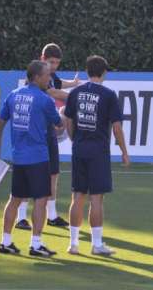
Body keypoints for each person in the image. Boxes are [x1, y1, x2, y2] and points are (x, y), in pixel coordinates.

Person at [0, 60, 63, 257]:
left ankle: (5, 241)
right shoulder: (44, 100)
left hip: (19, 157)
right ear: (37, 77)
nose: (49, 78)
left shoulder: (13, 95)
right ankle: (36, 244)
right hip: (38, 157)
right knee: (41, 199)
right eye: (47, 75)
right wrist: (65, 121)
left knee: (14, 199)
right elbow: (58, 125)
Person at [64, 55, 130, 255]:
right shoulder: (108, 95)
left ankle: (73, 244)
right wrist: (124, 152)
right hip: (98, 151)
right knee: (96, 199)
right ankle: (97, 244)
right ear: (104, 73)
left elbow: (68, 120)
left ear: (87, 71)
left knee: (77, 197)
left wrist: (74, 138)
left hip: (79, 148)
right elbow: (117, 127)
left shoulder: (75, 92)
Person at [15, 43, 80, 230]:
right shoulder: (37, 73)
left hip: (47, 129)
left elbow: (58, 84)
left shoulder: (50, 74)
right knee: (29, 173)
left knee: (53, 173)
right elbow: (52, 91)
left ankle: (51, 215)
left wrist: (73, 84)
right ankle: (21, 217)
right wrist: (77, 96)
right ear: (42, 58)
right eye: (51, 62)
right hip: (34, 130)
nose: (54, 66)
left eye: (57, 63)